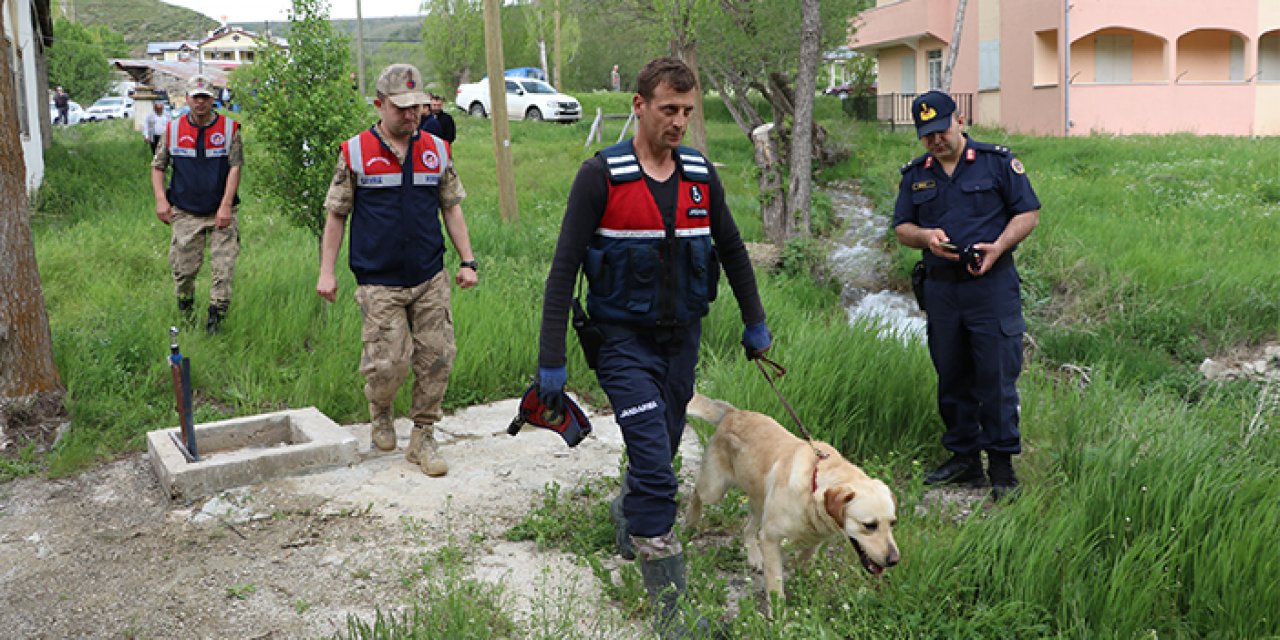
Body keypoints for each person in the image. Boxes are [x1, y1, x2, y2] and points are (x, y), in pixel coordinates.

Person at [537, 56, 770, 638]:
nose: (680, 122)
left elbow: (734, 250)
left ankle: (628, 513)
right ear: (639, 105)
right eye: (669, 109)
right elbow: (564, 270)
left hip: (681, 344)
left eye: (688, 111)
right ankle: (674, 618)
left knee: (660, 451)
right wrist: (551, 361)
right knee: (656, 468)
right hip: (621, 344)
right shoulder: (601, 177)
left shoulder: (700, 175)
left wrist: (755, 322)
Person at [316, 64, 478, 477]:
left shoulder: (437, 150)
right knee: (388, 365)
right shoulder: (354, 153)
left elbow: (451, 207)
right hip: (378, 280)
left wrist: (468, 261)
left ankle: (423, 435)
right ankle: (381, 408)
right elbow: (336, 215)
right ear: (379, 104)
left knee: (437, 357)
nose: (411, 116)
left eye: (417, 108)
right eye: (401, 108)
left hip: (429, 276)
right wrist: (327, 272)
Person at [891, 91, 1040, 502]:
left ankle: (1003, 468)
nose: (935, 141)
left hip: (991, 287)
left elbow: (1027, 213)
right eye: (926, 136)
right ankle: (964, 459)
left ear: (959, 120)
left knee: (995, 377)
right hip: (942, 290)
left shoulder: (997, 162)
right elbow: (902, 227)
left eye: (941, 130)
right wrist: (925, 237)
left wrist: (997, 247)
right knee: (952, 375)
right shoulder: (916, 175)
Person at [150, 74, 243, 335]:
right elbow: (158, 166)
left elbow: (235, 167)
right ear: (187, 99)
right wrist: (160, 200)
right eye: (195, 97)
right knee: (184, 270)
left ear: (213, 100)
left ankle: (216, 320)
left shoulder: (229, 129)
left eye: (205, 97)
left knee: (223, 268)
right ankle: (186, 310)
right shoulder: (173, 129)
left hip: (220, 211)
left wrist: (226, 205)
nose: (200, 102)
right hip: (185, 210)